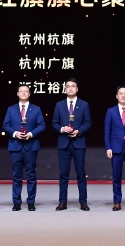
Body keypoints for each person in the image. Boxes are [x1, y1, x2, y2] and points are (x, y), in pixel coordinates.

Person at [3, 83, 45, 212]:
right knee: (16, 176)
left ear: (29, 94)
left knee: (31, 175)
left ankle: (31, 202)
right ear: (17, 93)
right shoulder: (11, 109)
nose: (23, 93)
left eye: (26, 91)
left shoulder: (36, 109)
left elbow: (42, 125)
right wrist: (15, 133)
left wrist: (31, 134)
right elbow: (5, 125)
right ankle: (16, 202)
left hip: (31, 146)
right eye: (21, 91)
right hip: (15, 146)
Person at [51, 78, 92, 211]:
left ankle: (83, 202)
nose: (70, 88)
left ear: (77, 89)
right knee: (63, 174)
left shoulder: (84, 104)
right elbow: (54, 123)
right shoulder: (59, 105)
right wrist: (62, 129)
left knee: (81, 174)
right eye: (68, 86)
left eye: (73, 86)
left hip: (79, 143)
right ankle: (62, 202)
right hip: (63, 144)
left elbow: (88, 123)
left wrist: (78, 131)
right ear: (65, 89)